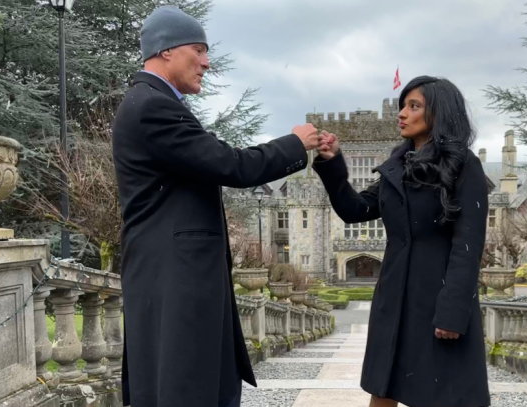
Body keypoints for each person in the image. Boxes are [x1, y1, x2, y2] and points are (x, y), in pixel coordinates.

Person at [111, 5, 319, 407]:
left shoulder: (153, 103)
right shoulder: (153, 107)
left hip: (175, 272)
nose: (207, 62)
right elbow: (231, 165)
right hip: (175, 275)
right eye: (199, 50)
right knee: (184, 383)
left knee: (196, 378)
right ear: (166, 50)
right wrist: (296, 143)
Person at [313, 76, 491, 407]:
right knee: (384, 386)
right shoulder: (397, 166)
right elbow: (355, 209)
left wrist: (453, 311)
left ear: (439, 113)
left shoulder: (464, 166)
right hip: (393, 297)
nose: (402, 114)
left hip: (437, 299)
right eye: (402, 106)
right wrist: (332, 161)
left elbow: (468, 246)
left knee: (443, 393)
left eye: (414, 106)